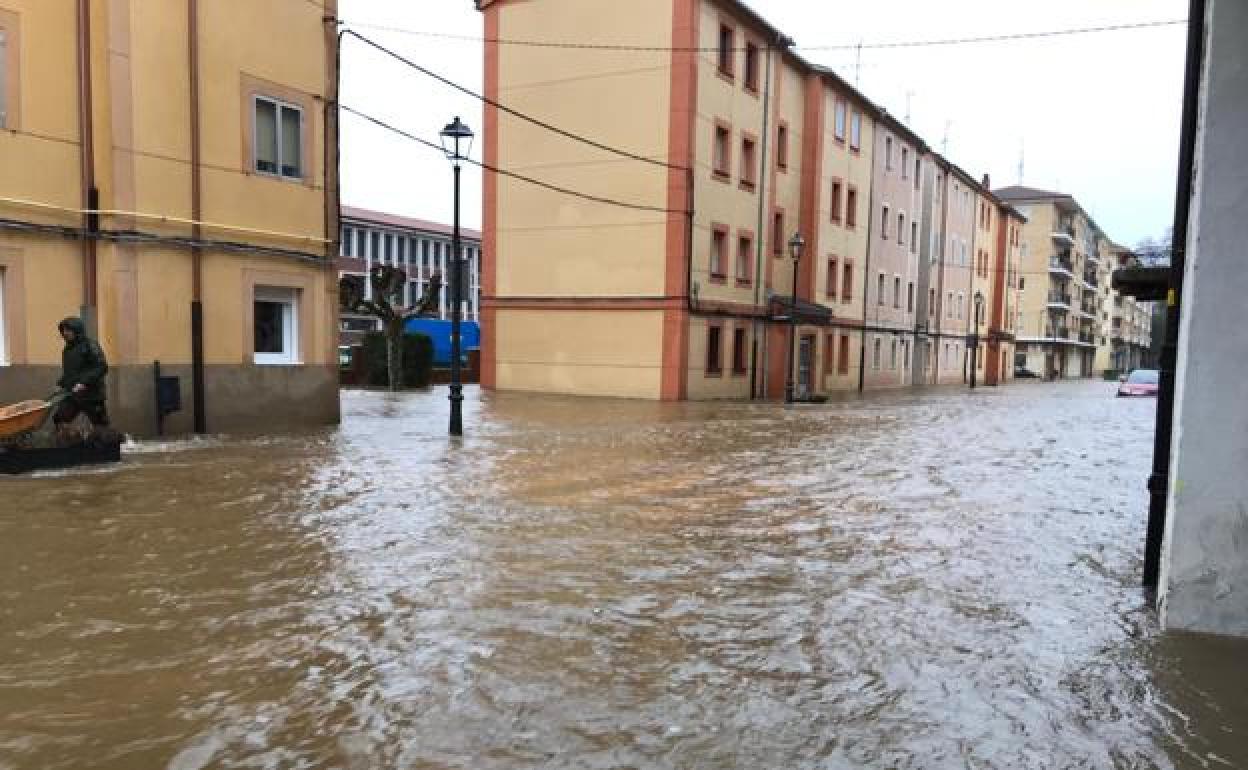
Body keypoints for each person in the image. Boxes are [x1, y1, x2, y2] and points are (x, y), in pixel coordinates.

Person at [54, 317, 110, 428]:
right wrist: (61, 384)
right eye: (63, 330)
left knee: (100, 424)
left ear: (77, 330)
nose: (65, 333)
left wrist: (84, 383)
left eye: (68, 330)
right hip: (73, 395)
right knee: (59, 418)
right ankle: (67, 442)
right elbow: (70, 371)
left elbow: (101, 367)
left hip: (92, 395)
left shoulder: (90, 345)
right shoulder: (67, 350)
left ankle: (105, 444)